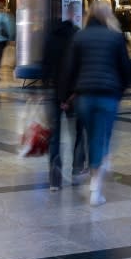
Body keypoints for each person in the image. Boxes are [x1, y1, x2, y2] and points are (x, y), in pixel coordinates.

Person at [63, 0, 131, 206]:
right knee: (101, 138)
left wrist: (67, 96)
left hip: (85, 96)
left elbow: (70, 69)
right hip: (108, 95)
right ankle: (96, 186)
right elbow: (125, 68)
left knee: (92, 137)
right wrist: (123, 88)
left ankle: (97, 174)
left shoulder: (79, 37)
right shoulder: (116, 38)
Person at [42, 16, 88, 191]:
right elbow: (80, 66)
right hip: (73, 94)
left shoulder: (50, 38)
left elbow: (45, 66)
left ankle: (55, 176)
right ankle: (76, 169)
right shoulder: (76, 37)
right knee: (77, 131)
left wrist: (45, 86)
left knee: (54, 136)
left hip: (54, 92)